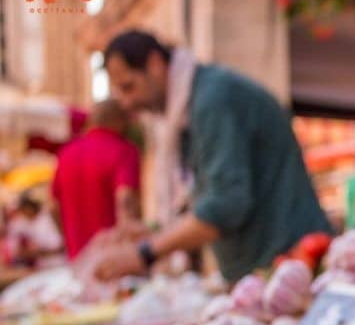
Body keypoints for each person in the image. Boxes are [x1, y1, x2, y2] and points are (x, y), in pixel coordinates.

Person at [93, 31, 332, 282]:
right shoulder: (189, 110)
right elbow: (202, 200)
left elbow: (224, 205)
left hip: (293, 264)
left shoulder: (213, 99)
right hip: (265, 272)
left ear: (155, 65)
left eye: (129, 87)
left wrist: (146, 252)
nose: (127, 103)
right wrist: (151, 233)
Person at [50, 99, 141, 259]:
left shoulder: (66, 152)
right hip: (113, 257)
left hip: (77, 258)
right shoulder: (124, 150)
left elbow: (53, 207)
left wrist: (68, 240)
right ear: (118, 121)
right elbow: (125, 199)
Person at [4, 194, 63, 268]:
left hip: (59, 263)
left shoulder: (47, 218)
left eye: (24, 210)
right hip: (44, 266)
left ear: (30, 207)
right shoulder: (28, 223)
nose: (23, 213)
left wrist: (38, 252)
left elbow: (60, 247)